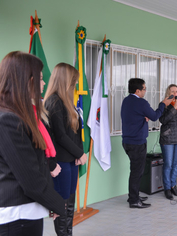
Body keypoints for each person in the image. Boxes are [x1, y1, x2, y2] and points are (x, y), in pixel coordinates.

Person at [0, 51, 65, 236]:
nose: (43, 84)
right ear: (25, 80)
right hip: (17, 218)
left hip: (25, 213)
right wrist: (57, 204)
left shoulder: (16, 114)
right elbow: (30, 177)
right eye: (40, 78)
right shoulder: (7, 120)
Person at [44, 63, 88, 235]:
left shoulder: (66, 101)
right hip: (61, 161)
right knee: (62, 204)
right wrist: (80, 153)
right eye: (73, 81)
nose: (75, 85)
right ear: (65, 81)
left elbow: (75, 132)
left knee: (70, 203)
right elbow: (61, 136)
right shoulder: (54, 101)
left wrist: (79, 153)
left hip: (71, 160)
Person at [121, 78, 172, 208]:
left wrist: (143, 117)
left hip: (127, 142)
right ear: (138, 90)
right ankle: (134, 200)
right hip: (137, 143)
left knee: (135, 170)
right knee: (137, 171)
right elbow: (155, 116)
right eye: (144, 89)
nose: (145, 91)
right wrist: (163, 104)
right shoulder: (141, 103)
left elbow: (134, 117)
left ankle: (134, 195)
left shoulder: (126, 101)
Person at [159, 84, 177, 200]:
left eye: (176, 91)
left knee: (176, 164)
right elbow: (163, 120)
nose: (175, 94)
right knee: (168, 164)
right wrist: (174, 107)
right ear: (168, 93)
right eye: (173, 91)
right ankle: (166, 188)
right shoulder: (164, 105)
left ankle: (173, 186)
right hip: (167, 139)